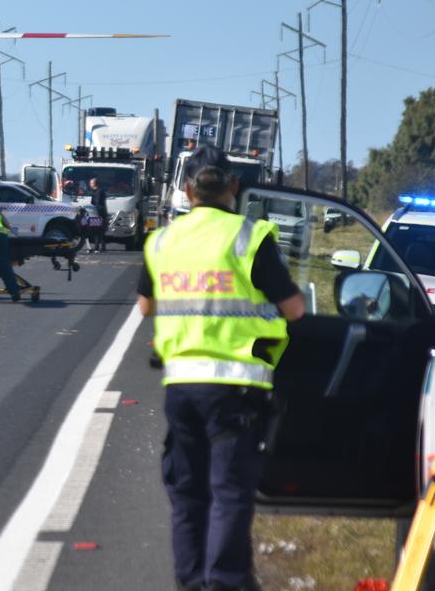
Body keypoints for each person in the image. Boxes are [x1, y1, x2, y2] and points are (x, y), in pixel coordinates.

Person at [137, 145, 306, 591]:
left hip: (181, 386)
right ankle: (226, 583)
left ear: (186, 188)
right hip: (236, 387)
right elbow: (293, 309)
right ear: (234, 187)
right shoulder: (250, 237)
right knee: (229, 492)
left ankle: (192, 583)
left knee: (187, 495)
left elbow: (144, 306)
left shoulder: (162, 240)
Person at [88, 177, 109, 253]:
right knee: (100, 231)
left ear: (94, 184)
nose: (89, 184)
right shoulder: (96, 191)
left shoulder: (99, 192)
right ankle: (102, 247)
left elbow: (98, 204)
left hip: (98, 214)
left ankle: (97, 247)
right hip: (99, 213)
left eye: (91, 183)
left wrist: (96, 212)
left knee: (97, 231)